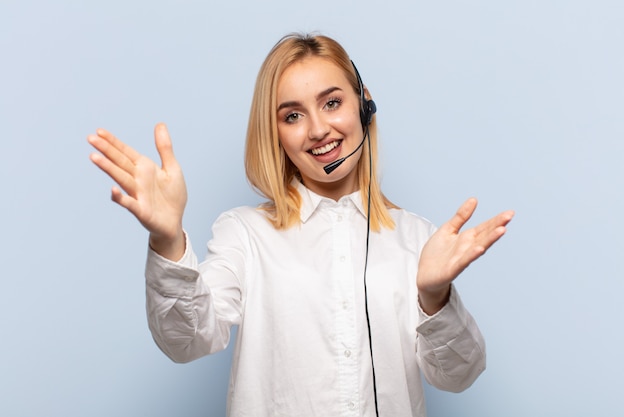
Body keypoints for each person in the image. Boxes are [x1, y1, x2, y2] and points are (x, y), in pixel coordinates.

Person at [88, 33, 514, 417]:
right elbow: (186, 340)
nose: (317, 130)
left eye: (332, 103)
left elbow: (459, 376)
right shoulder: (244, 234)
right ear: (274, 134)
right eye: (292, 116)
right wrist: (167, 240)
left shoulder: (419, 239)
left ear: (364, 104)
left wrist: (435, 296)